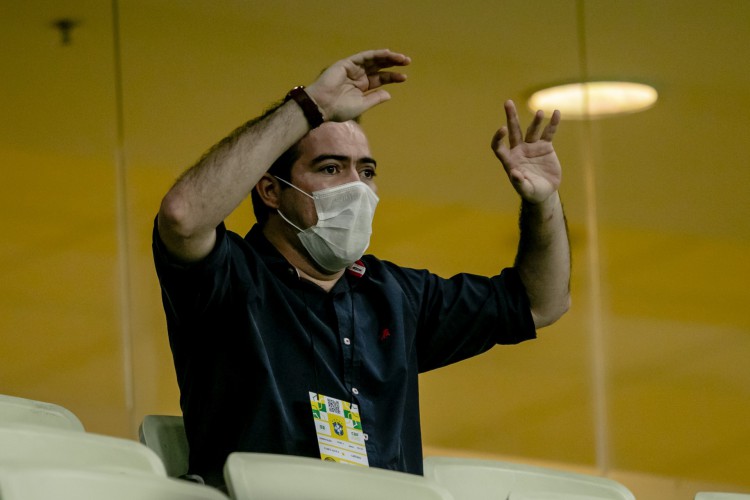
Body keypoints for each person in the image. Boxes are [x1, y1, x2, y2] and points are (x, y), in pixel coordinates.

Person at [153, 49, 570, 489]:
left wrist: (542, 200)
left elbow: (542, 302)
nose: (355, 185)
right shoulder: (229, 280)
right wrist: (308, 107)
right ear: (272, 191)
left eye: (366, 171)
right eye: (331, 168)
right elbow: (182, 217)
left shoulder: (396, 296)